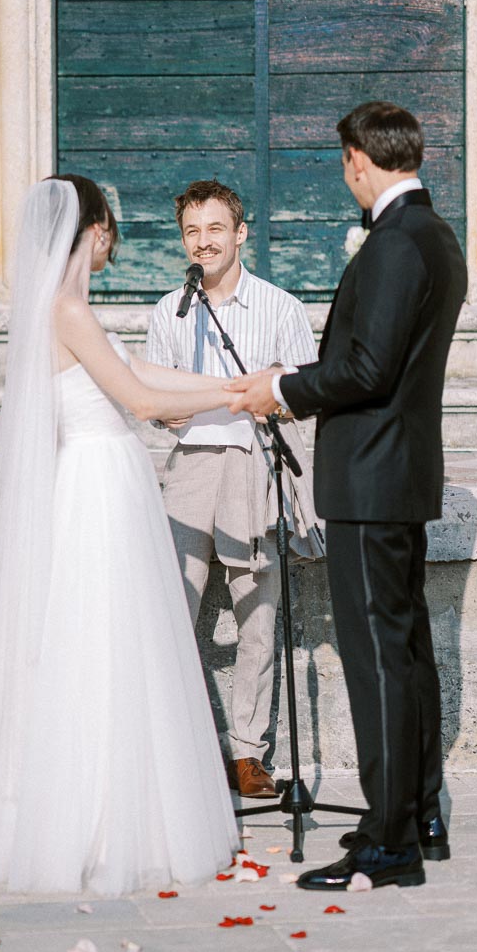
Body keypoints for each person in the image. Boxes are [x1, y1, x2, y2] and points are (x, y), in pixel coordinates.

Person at [0, 175, 239, 895]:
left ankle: (103, 811)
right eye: (112, 228)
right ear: (99, 230)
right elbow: (139, 398)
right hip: (100, 482)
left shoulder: (63, 309)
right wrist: (240, 393)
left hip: (96, 478)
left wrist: (231, 383)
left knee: (100, 641)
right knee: (110, 645)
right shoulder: (69, 308)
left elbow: (138, 369)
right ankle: (108, 823)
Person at [226, 103, 467, 890]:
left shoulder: (397, 243)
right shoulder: (435, 234)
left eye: (343, 163)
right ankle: (421, 813)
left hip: (371, 478)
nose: (344, 175)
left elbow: (367, 369)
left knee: (377, 663)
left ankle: (388, 841)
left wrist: (282, 388)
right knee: (407, 651)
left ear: (359, 160)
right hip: (398, 474)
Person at [147, 180, 323, 800]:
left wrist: (268, 392)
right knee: (173, 610)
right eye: (193, 231)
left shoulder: (280, 307)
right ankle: (173, 746)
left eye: (215, 229)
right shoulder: (170, 310)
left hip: (255, 465)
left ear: (240, 233)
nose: (204, 242)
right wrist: (173, 408)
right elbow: (156, 404)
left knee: (258, 613)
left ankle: (250, 753)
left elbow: (304, 396)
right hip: (192, 466)